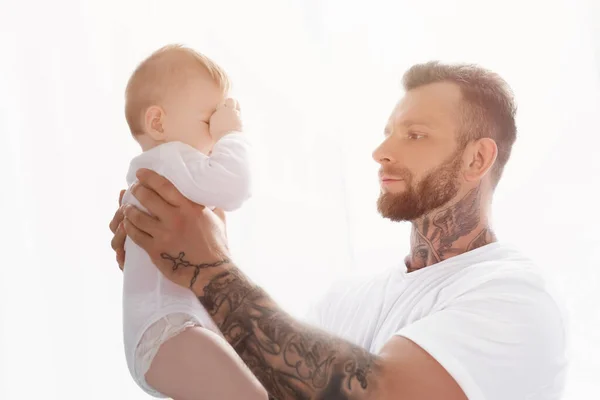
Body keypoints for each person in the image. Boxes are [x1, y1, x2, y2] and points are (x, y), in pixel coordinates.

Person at [110, 61, 568, 399]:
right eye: (388, 131)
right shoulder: (346, 301)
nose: (381, 151)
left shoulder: (516, 296)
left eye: (414, 135)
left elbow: (380, 394)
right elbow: (277, 385)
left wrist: (209, 268)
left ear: (477, 159)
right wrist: (172, 263)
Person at [119, 44, 264, 399]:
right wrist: (233, 134)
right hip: (167, 329)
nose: (214, 135)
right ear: (158, 123)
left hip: (172, 327)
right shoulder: (170, 159)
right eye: (208, 121)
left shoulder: (167, 171)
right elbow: (235, 186)